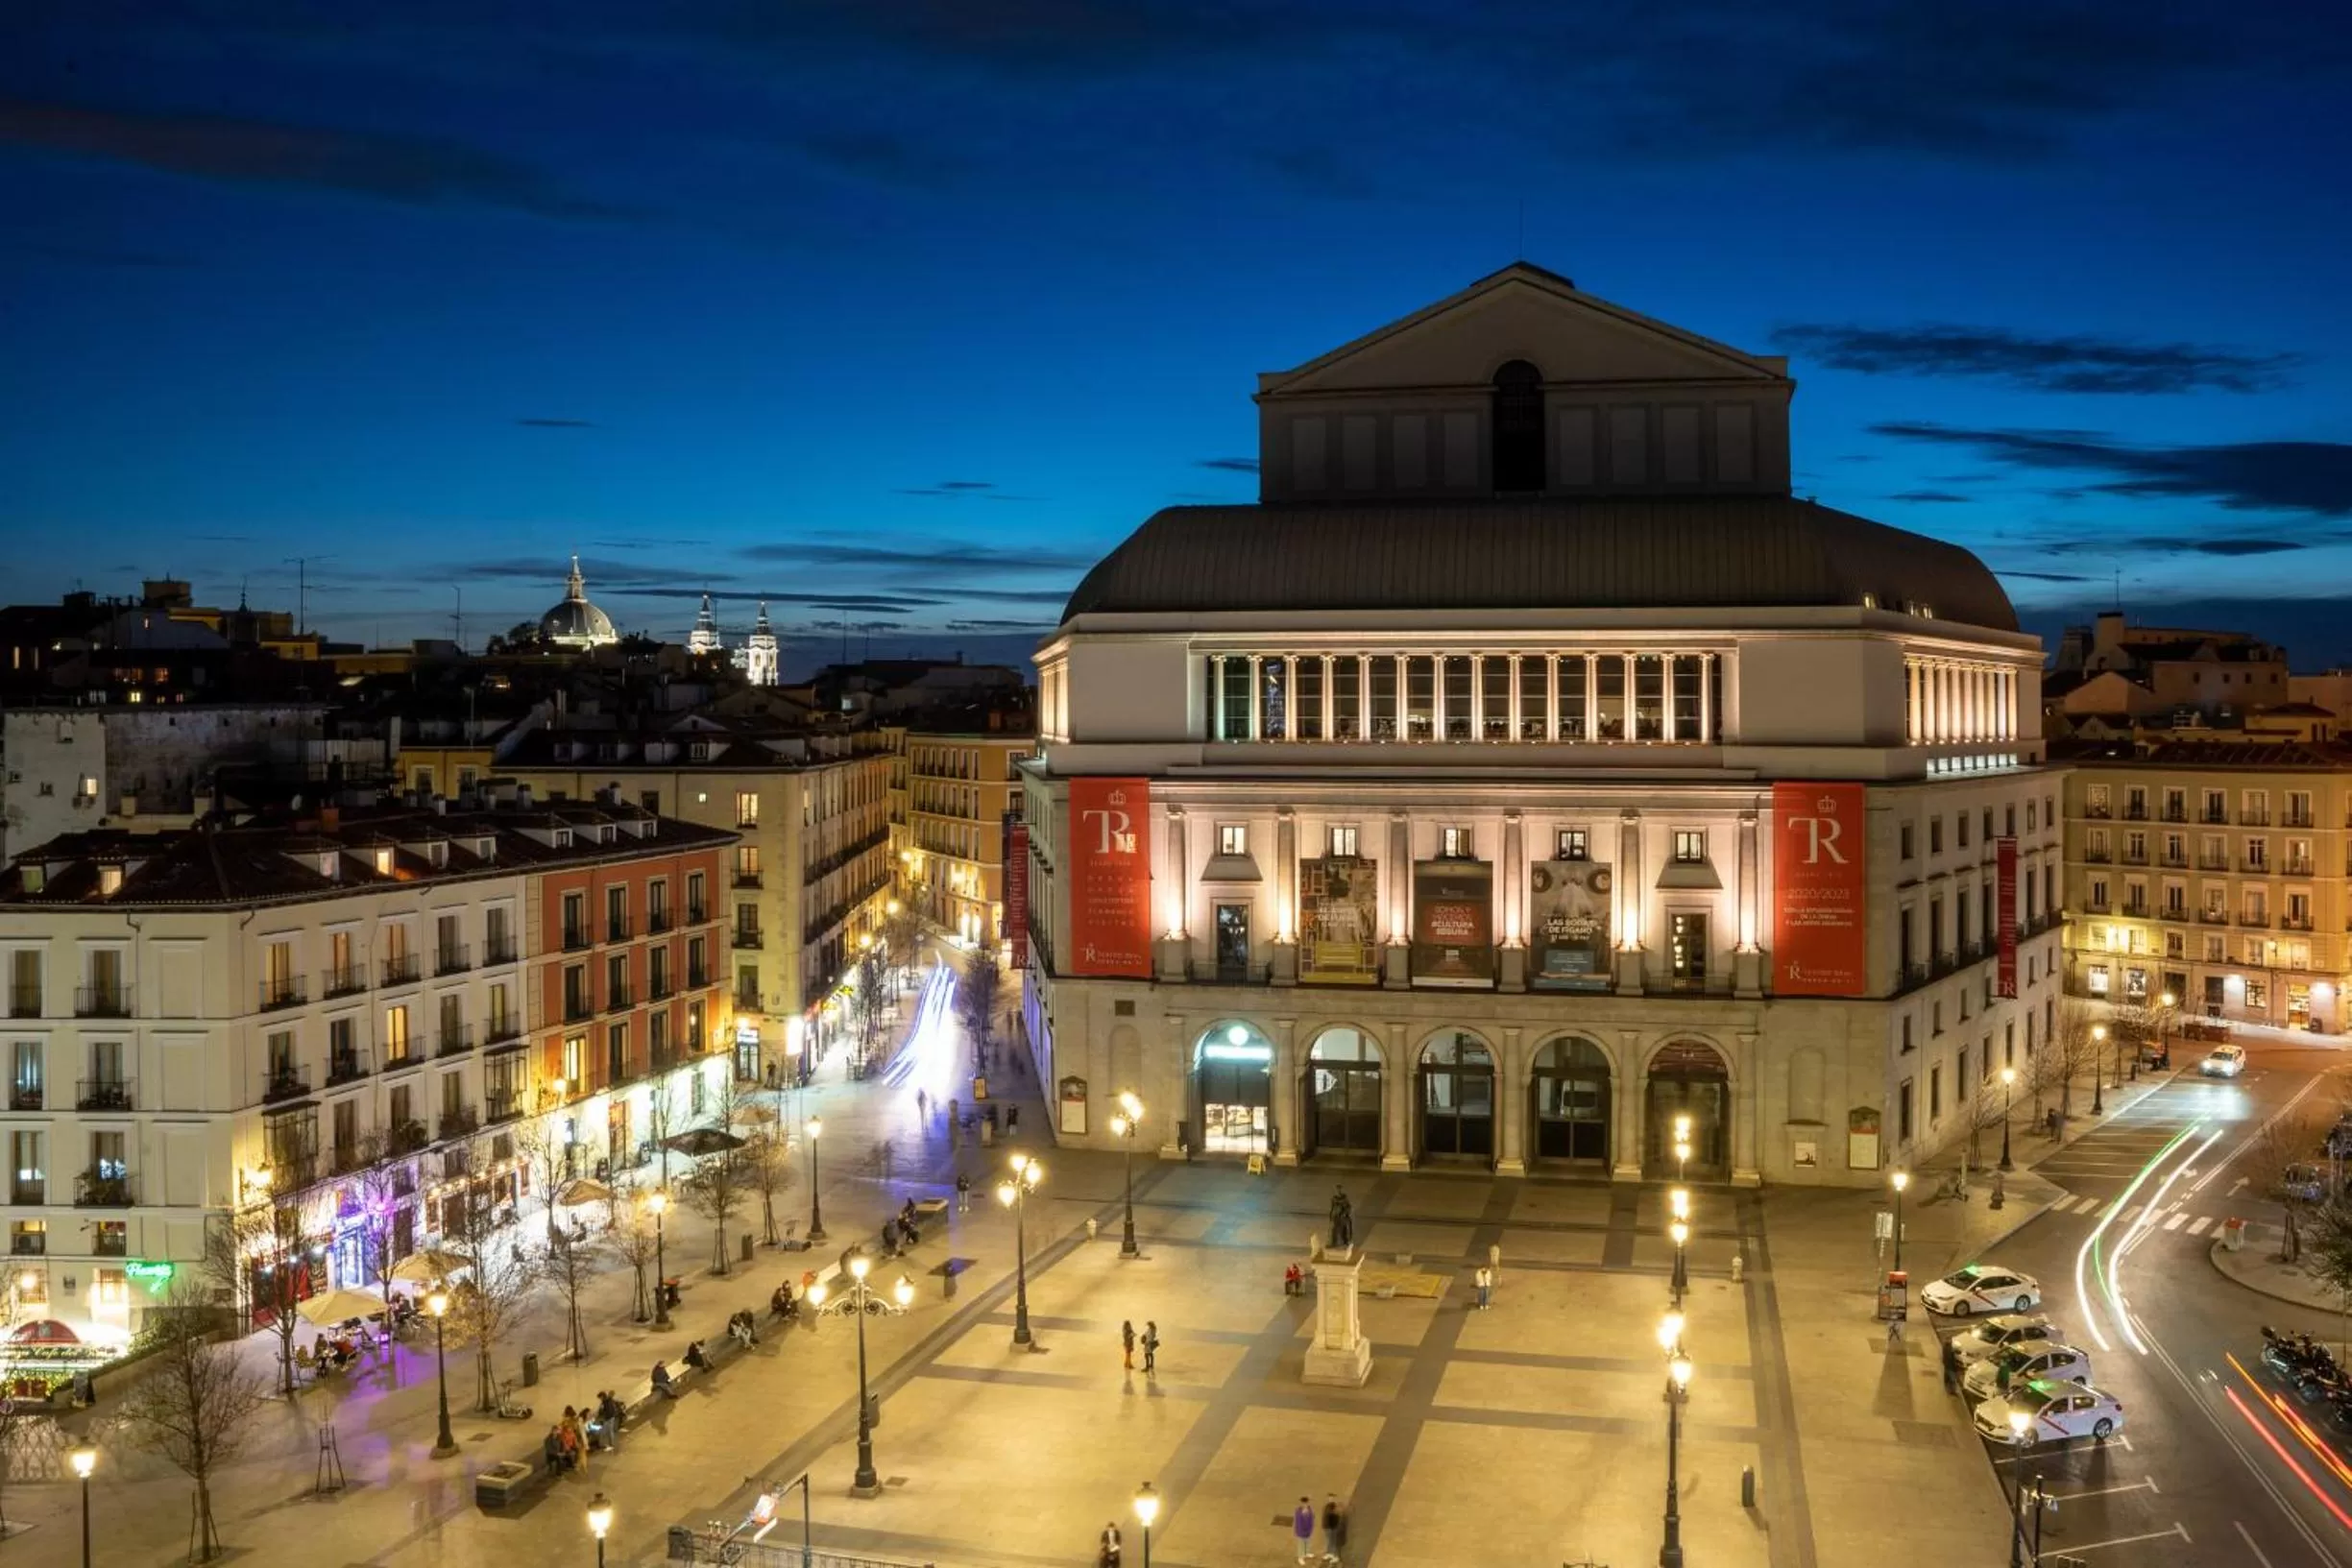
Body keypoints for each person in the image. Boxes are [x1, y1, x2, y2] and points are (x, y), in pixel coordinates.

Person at [1321, 1494, 1348, 1565]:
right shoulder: (1328, 1507)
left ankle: (1336, 1556)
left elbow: (1337, 1520)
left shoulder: (1335, 1510)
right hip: (1328, 1527)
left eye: (1332, 1498)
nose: (1330, 1499)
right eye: (1329, 1498)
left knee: (1334, 1543)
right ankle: (1330, 1553)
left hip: (1333, 1529)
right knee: (1331, 1542)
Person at [1292, 1497, 1317, 1564]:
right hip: (1301, 1532)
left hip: (1308, 1531)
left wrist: (1311, 1529)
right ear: (1302, 1504)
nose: (1305, 1505)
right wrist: (1301, 1532)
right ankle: (1300, 1557)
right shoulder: (1298, 1512)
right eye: (1304, 1503)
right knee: (1301, 1545)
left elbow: (1311, 1520)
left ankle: (1307, 1553)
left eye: (1306, 1503)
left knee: (1307, 1543)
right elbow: (1298, 1523)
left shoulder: (1310, 1510)